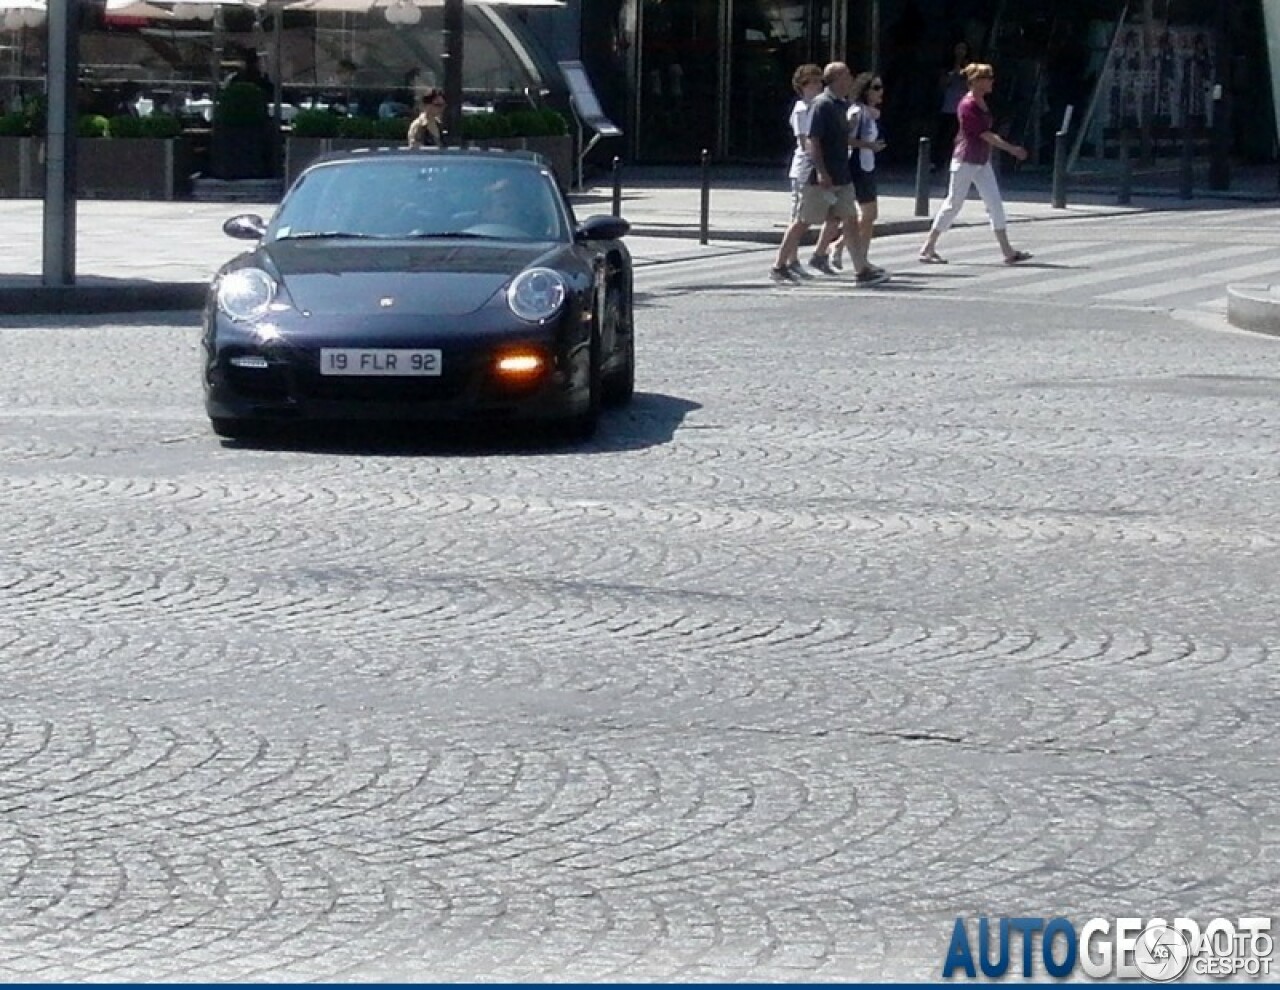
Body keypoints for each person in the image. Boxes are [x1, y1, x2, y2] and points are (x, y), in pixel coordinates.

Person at [918, 62, 1032, 266]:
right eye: (987, 77)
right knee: (953, 204)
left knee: (994, 203)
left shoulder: (981, 102)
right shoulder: (967, 104)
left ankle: (1007, 250)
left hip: (980, 160)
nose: (991, 81)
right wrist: (1011, 149)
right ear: (976, 81)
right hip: (965, 160)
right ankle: (928, 246)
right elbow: (984, 134)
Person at [804, 64, 888, 286]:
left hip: (843, 173)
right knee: (803, 221)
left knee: (849, 219)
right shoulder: (823, 104)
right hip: (831, 173)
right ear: (837, 78)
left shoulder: (841, 105)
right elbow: (813, 140)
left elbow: (842, 138)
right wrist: (821, 172)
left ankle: (861, 269)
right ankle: (782, 265)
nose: (851, 78)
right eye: (847, 75)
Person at [769, 63, 824, 283]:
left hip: (810, 166)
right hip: (804, 168)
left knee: (801, 218)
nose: (819, 85)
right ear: (803, 86)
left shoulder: (817, 106)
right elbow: (805, 142)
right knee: (799, 217)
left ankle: (791, 261)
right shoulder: (802, 109)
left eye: (820, 80)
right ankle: (783, 264)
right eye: (814, 81)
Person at [934, 41, 971, 172]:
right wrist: (953, 72)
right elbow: (942, 84)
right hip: (948, 106)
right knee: (945, 135)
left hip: (964, 107)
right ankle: (939, 162)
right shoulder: (946, 67)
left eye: (963, 49)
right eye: (958, 48)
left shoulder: (970, 67)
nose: (960, 52)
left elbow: (972, 85)